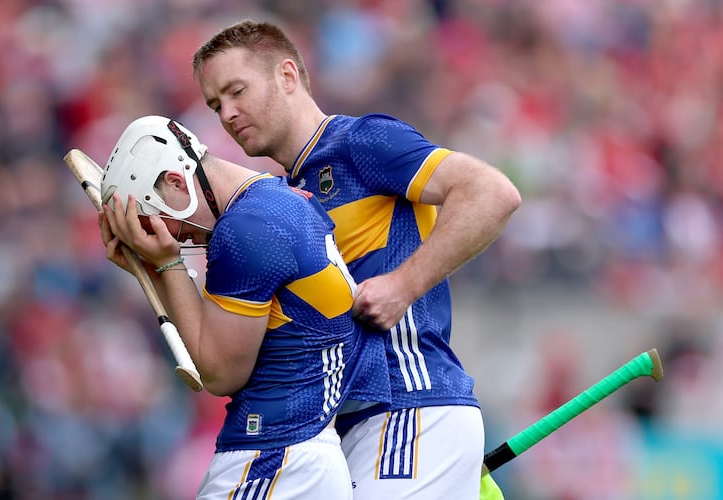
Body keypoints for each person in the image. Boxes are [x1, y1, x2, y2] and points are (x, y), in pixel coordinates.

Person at [192, 20, 522, 500]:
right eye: (215, 104)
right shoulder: (277, 203)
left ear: (287, 75)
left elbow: (492, 192)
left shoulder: (361, 143)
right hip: (336, 431)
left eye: (236, 90)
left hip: (410, 407)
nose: (228, 113)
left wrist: (403, 285)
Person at [97, 115, 390, 499]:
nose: (175, 235)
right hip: (307, 455)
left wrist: (167, 264)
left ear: (175, 181)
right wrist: (153, 272)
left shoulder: (245, 229)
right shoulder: (281, 199)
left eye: (163, 222)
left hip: (272, 455)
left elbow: (219, 374)